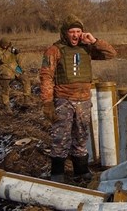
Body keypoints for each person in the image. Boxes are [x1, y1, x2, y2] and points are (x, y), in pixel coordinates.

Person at [40, 14, 117, 183]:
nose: (75, 35)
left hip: (83, 100)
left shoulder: (87, 48)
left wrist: (94, 40)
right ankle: (57, 174)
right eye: (71, 31)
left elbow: (110, 53)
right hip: (63, 100)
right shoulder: (55, 50)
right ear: (64, 33)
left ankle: (81, 171)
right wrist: (47, 102)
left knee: (81, 136)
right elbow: (46, 76)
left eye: (78, 31)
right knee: (60, 137)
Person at [0, 37, 32, 111]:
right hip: (4, 68)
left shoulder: (11, 48)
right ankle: (6, 106)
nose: (6, 46)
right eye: (5, 44)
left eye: (7, 44)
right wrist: (10, 50)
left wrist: (22, 68)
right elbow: (3, 59)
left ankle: (26, 100)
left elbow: (18, 58)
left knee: (26, 80)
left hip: (15, 67)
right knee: (5, 88)